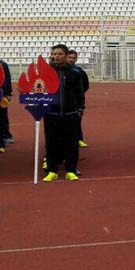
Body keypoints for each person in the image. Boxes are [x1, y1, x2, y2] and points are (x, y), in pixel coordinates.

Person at [42, 44, 86, 182]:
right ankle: (52, 170)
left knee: (72, 143)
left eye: (60, 54)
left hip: (70, 113)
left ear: (66, 56)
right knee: (51, 143)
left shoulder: (75, 72)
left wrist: (80, 109)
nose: (56, 56)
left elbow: (80, 93)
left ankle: (71, 170)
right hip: (51, 114)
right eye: (54, 54)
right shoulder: (46, 72)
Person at [66, 49, 90, 148]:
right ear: (66, 58)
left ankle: (79, 140)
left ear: (76, 59)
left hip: (76, 102)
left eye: (73, 58)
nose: (71, 59)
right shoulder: (60, 71)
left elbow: (86, 85)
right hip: (64, 102)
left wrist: (77, 94)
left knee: (77, 122)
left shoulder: (79, 71)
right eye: (69, 57)